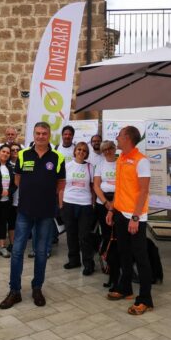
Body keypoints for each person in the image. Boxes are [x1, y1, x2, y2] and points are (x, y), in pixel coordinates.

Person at [0, 122, 66, 309]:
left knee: (42, 253)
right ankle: (15, 291)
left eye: (44, 133)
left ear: (49, 135)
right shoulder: (22, 154)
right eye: (38, 133)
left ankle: (37, 288)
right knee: (17, 251)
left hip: (46, 212)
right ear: (34, 135)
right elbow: (18, 179)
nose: (41, 136)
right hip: (25, 211)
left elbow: (61, 183)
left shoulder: (58, 157)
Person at [107, 125, 154, 315]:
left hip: (136, 217)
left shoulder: (141, 161)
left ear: (127, 138)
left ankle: (145, 299)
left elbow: (143, 191)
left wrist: (135, 217)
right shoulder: (121, 159)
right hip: (120, 212)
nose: (116, 138)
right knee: (123, 253)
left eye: (119, 135)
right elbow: (121, 188)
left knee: (141, 258)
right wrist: (113, 209)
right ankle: (125, 287)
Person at [60, 142, 96, 275]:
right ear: (74, 151)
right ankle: (74, 260)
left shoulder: (90, 167)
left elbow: (93, 187)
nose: (81, 152)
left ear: (87, 154)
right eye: (79, 149)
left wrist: (92, 204)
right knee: (71, 235)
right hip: (68, 203)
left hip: (85, 205)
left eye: (84, 151)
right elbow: (61, 187)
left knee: (85, 235)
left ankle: (88, 263)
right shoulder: (67, 166)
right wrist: (61, 205)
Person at [93, 140, 117, 281]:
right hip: (102, 202)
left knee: (118, 233)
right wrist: (105, 202)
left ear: (114, 149)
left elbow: (122, 184)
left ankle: (118, 261)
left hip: (118, 201)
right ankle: (108, 260)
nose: (107, 151)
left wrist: (112, 204)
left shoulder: (120, 163)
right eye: (105, 149)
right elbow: (96, 186)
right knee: (106, 233)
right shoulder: (100, 165)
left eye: (110, 148)